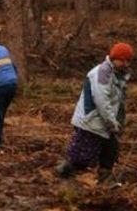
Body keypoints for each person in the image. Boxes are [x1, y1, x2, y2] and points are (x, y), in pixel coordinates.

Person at [56, 43, 133, 184]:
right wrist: (112, 123)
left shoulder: (118, 75)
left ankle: (106, 179)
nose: (125, 64)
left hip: (106, 121)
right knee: (81, 157)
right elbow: (102, 101)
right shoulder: (102, 74)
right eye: (122, 60)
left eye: (128, 61)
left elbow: (117, 101)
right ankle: (63, 172)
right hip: (91, 121)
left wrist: (118, 121)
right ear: (114, 58)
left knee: (110, 150)